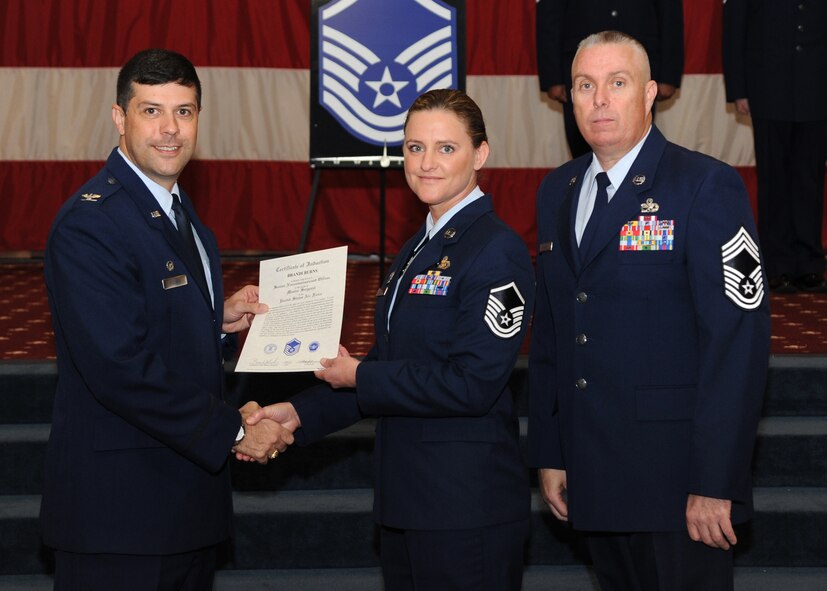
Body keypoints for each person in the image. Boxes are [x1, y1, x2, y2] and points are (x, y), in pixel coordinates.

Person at [245, 89, 534, 591]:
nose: (426, 163)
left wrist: (360, 374)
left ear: (480, 154)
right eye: (414, 147)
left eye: (446, 148)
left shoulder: (496, 250)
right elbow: (389, 364)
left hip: (465, 507)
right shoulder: (420, 245)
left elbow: (470, 384)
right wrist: (299, 412)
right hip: (409, 502)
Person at [41, 48, 292, 590]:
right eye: (151, 111)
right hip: (119, 516)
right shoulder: (92, 224)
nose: (170, 129)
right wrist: (235, 429)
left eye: (184, 111)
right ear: (120, 117)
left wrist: (215, 320)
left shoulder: (181, 213)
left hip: (183, 506)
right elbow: (119, 367)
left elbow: (149, 318)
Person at [528, 31, 770, 591]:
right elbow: (553, 336)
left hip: (677, 482)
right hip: (592, 471)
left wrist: (716, 481)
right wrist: (551, 451)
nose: (599, 100)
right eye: (585, 85)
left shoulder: (705, 185)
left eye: (617, 83)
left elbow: (737, 345)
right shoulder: (558, 189)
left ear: (649, 94)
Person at [722, 0, 827, 292]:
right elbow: (735, 26)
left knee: (810, 178)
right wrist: (738, 89)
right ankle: (777, 264)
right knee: (773, 179)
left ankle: (809, 263)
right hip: (767, 86)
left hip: (817, 86)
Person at [536, 0, 684, 158]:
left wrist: (669, 74)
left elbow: (670, 11)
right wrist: (552, 76)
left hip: (640, 60)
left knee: (636, 140)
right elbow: (549, 11)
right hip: (579, 61)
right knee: (584, 149)